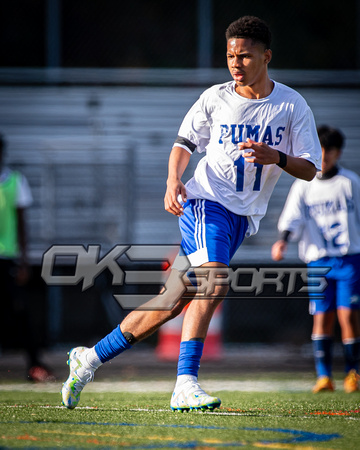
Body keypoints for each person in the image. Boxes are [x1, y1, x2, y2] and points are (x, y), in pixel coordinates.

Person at [61, 15, 321, 411]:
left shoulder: (291, 105)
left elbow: (309, 168)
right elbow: (184, 142)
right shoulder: (215, 97)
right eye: (231, 55)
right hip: (205, 204)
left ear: (267, 57)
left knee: (170, 303)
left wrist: (278, 157)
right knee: (216, 283)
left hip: (240, 219)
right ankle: (185, 384)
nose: (236, 63)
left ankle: (88, 359)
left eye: (246, 56)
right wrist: (172, 180)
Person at [272, 125, 360, 393]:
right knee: (322, 317)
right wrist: (283, 241)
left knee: (348, 316)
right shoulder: (304, 185)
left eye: (329, 151)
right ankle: (324, 376)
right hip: (318, 262)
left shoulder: (350, 182)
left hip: (348, 260)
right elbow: (292, 218)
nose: (324, 156)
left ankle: (352, 373)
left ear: (338, 152)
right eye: (320, 150)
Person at [0, 133, 55, 382]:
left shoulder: (14, 181)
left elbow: (22, 224)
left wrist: (24, 261)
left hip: (6, 258)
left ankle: (35, 365)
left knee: (21, 312)